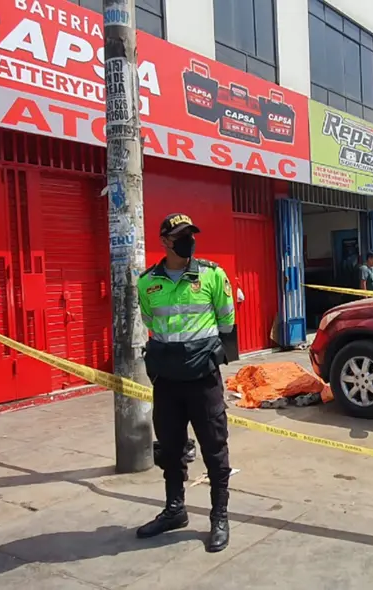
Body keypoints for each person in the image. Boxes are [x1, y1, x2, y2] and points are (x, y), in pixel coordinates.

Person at [135, 213, 236, 553]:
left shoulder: (211, 275)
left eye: (191, 234)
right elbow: (151, 320)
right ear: (165, 241)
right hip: (167, 379)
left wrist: (206, 354)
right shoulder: (147, 282)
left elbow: (226, 322)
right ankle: (175, 510)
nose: (188, 240)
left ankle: (219, 517)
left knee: (214, 446)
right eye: (180, 235)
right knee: (171, 447)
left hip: (202, 378)